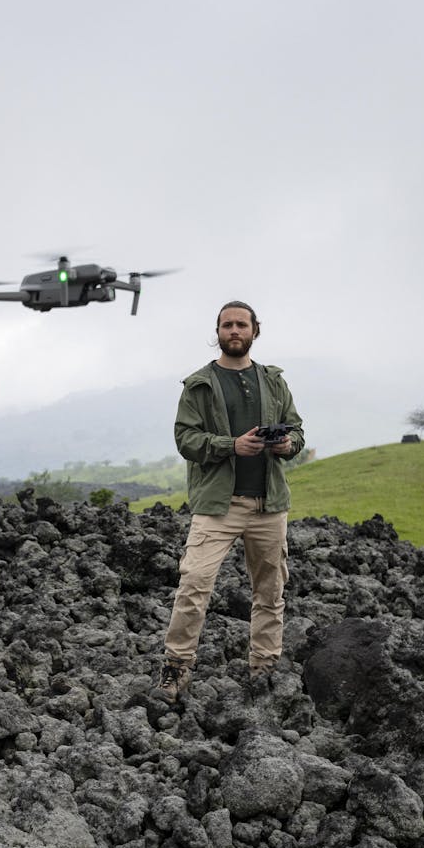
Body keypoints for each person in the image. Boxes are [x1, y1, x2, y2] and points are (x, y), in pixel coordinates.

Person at [153, 301, 304, 704]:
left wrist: (288, 444)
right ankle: (176, 669)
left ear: (256, 330)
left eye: (241, 324)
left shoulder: (273, 382)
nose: (234, 330)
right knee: (194, 584)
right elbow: (186, 440)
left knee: (271, 591)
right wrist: (231, 445)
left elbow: (298, 430)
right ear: (217, 332)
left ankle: (265, 668)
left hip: (269, 504)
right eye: (227, 325)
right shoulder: (200, 384)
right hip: (219, 505)